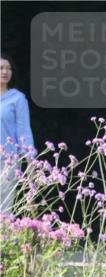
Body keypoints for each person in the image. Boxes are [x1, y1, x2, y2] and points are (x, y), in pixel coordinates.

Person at [1, 53, 35, 213]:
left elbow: (24, 131)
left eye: (8, 68)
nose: (5, 72)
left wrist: (30, 161)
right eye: (1, 68)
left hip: (7, 162)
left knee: (4, 209)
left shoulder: (18, 99)